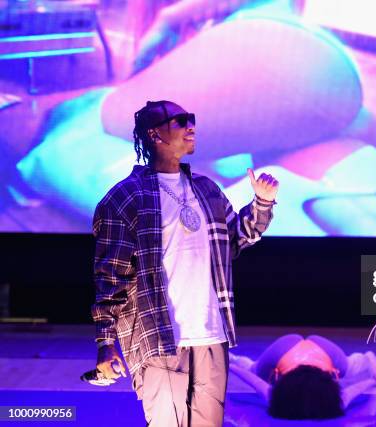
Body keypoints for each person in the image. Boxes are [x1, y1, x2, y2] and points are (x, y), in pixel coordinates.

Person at [92, 100, 278, 426]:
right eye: (180, 121)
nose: (191, 126)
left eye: (191, 119)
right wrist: (106, 344)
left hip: (211, 334)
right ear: (155, 135)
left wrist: (262, 202)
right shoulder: (125, 198)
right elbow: (111, 276)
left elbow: (237, 238)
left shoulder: (206, 189)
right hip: (159, 337)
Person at [228, 334, 376, 420]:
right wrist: (231, 367)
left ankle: (365, 358)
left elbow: (354, 390)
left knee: (253, 368)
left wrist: (373, 380)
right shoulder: (276, 398)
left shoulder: (335, 402)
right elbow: (251, 379)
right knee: (252, 369)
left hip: (304, 349)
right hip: (294, 350)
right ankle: (365, 358)